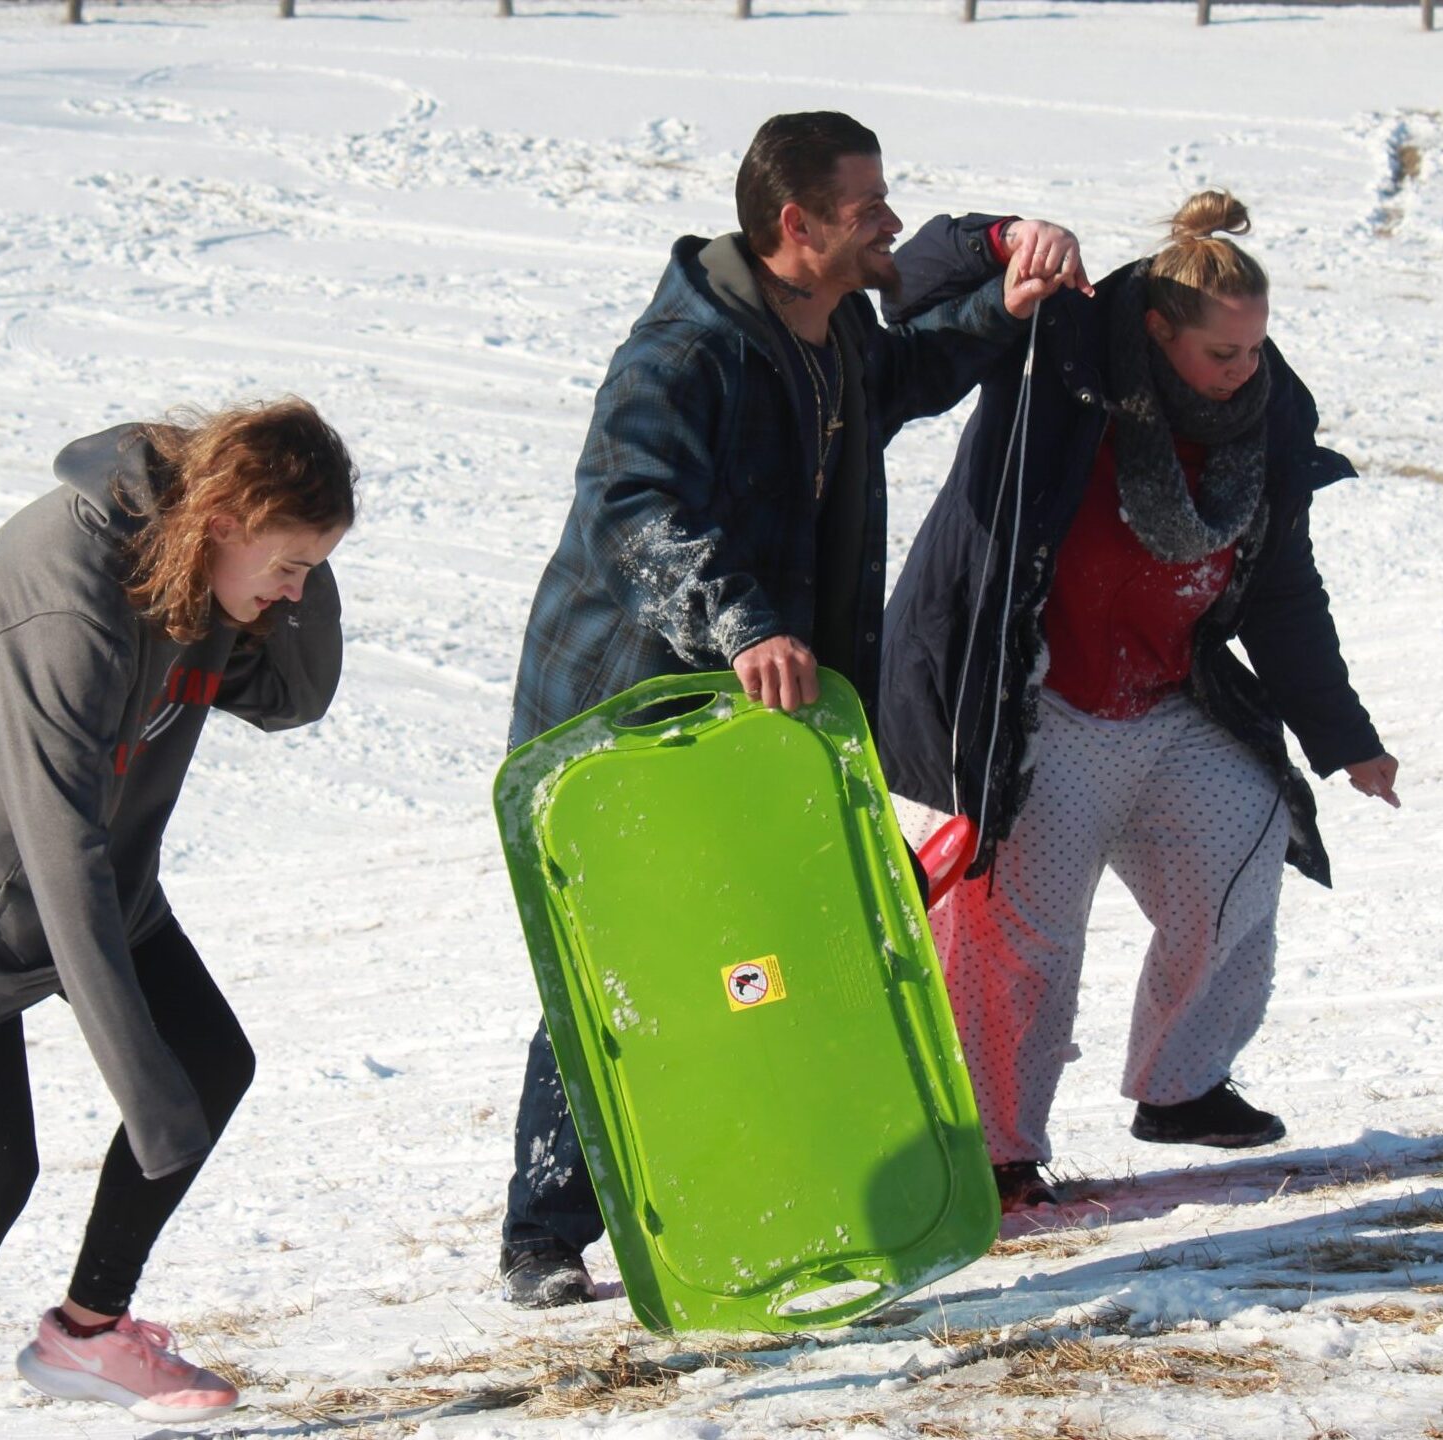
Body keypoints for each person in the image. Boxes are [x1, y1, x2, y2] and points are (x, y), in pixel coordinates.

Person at [496, 109, 1090, 1308]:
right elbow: (632, 508)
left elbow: (910, 375)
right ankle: (540, 1233)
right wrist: (745, 621)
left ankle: (770, 1187)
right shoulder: (686, 353)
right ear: (794, 224)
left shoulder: (833, 331)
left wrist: (1003, 310)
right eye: (867, 206)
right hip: (629, 712)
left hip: (755, 710)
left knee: (761, 955)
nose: (888, 222)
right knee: (630, 960)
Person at [0, 399, 354, 1438]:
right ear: (222, 517)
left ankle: (86, 1332)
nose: (297, 591)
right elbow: (51, 842)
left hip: (98, 869)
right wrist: (136, 1083)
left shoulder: (204, 563)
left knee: (211, 1062)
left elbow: (292, 698)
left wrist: (294, 576)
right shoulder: (65, 597)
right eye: (290, 564)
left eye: (313, 569)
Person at [877, 191, 1400, 1213]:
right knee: (1024, 932)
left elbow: (1282, 587)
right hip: (1034, 700)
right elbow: (910, 291)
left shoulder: (1266, 416)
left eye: (1255, 349)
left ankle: (1180, 1085)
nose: (1243, 371)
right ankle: (992, 1147)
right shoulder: (1063, 355)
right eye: (1221, 354)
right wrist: (999, 241)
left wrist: (1345, 739)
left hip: (1165, 697)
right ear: (1158, 333)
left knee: (1243, 851)